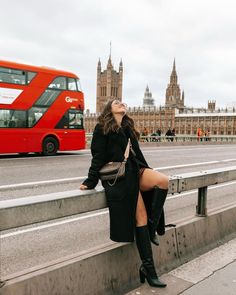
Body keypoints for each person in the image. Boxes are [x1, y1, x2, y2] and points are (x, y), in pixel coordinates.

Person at [80, 99, 169, 288]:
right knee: (141, 217)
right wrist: (90, 181)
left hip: (135, 170)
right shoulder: (101, 128)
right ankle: (149, 270)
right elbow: (98, 157)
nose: (122, 104)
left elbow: (138, 153)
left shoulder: (128, 127)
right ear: (109, 109)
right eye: (117, 103)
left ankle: (151, 230)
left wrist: (147, 170)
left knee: (162, 181)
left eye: (122, 103)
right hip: (120, 178)